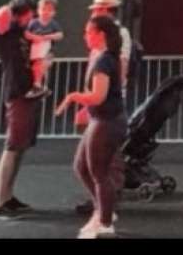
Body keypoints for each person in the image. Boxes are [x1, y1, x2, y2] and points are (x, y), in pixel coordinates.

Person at [56, 15, 129, 239]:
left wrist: (73, 97)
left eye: (89, 32)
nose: (85, 36)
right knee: (81, 166)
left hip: (107, 121)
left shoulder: (105, 61)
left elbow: (98, 96)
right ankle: (102, 210)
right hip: (101, 119)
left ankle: (105, 223)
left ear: (101, 35)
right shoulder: (105, 58)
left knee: (99, 172)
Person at [0, 0, 42, 218]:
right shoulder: (4, 32)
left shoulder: (22, 32)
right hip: (17, 93)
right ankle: (0, 202)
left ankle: (8, 197)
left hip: (29, 92)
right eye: (29, 15)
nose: (31, 19)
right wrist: (12, 8)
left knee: (20, 146)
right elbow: (2, 15)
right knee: (12, 146)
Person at [26, 0, 63, 90]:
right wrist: (35, 37)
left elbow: (60, 35)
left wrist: (48, 37)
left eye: (49, 10)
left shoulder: (53, 24)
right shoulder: (33, 23)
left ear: (54, 12)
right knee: (36, 65)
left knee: (43, 64)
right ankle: (37, 83)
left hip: (48, 51)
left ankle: (39, 83)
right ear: (38, 10)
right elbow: (26, 33)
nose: (46, 12)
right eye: (43, 9)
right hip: (35, 49)